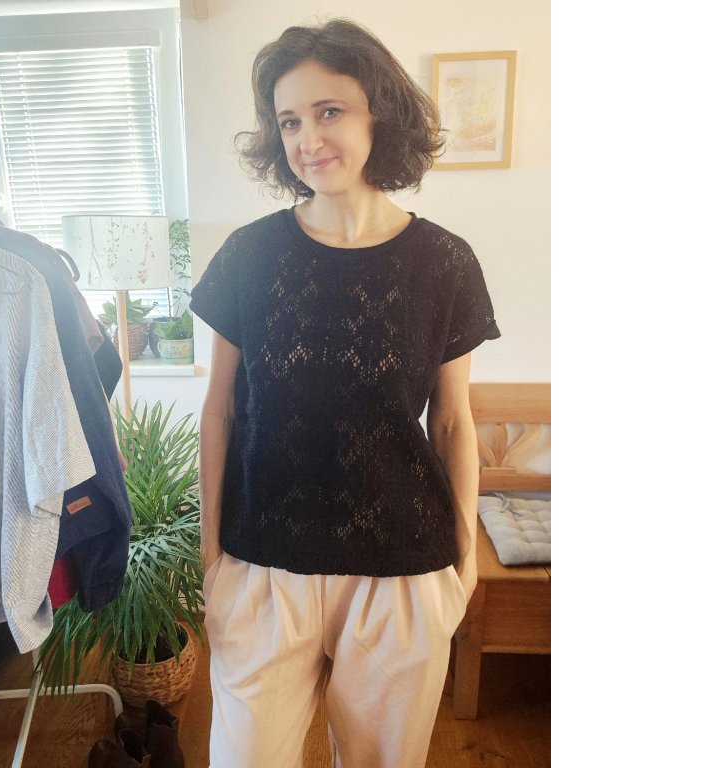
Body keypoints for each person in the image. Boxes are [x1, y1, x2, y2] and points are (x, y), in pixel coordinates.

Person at [188, 17, 501, 768]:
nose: (308, 139)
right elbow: (219, 411)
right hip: (263, 563)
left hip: (404, 566)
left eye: (328, 111)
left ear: (378, 113)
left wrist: (463, 562)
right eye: (289, 120)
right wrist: (212, 559)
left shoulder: (446, 263)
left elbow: (452, 423)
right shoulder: (248, 255)